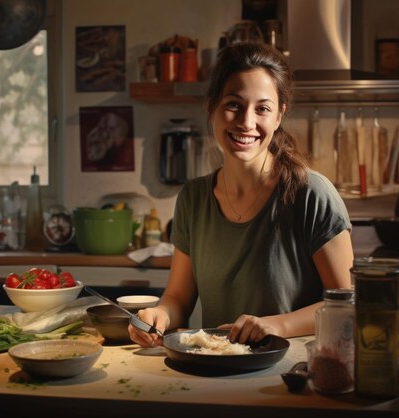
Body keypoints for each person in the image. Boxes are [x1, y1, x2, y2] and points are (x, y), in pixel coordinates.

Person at [129, 42, 353, 347]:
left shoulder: (311, 194)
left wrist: (275, 325)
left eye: (262, 108)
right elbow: (178, 298)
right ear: (212, 107)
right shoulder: (193, 199)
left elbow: (348, 305)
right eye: (233, 104)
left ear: (278, 116)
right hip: (216, 372)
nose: (247, 122)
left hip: (292, 376)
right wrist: (160, 315)